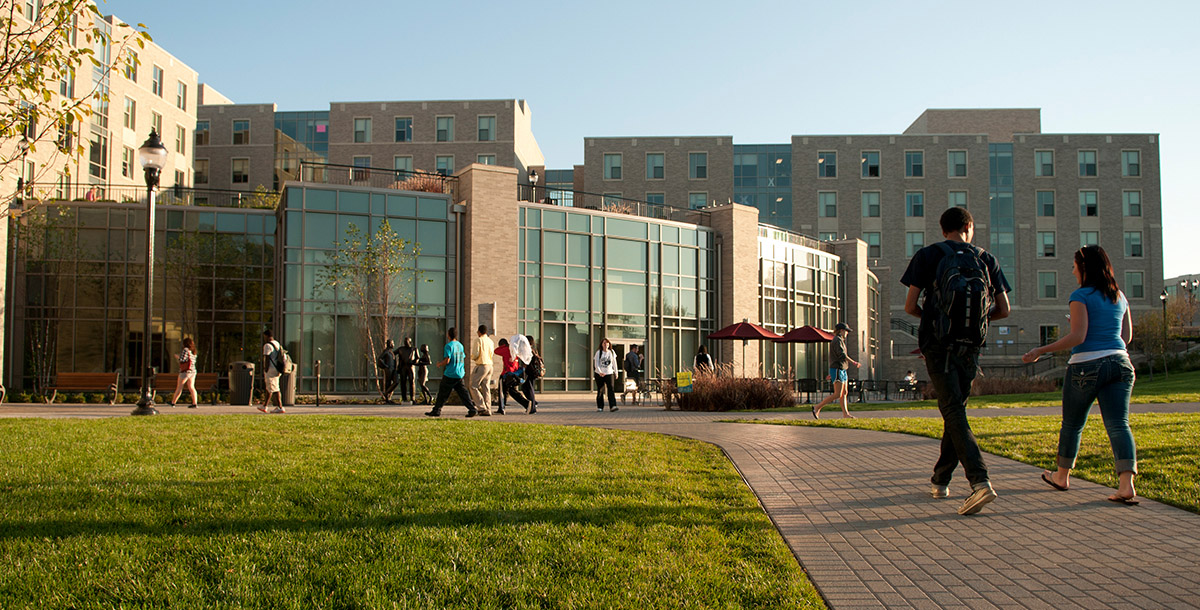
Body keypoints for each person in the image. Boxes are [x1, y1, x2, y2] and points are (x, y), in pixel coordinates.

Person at [901, 207, 1010, 515]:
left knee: (951, 409)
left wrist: (934, 320)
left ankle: (980, 482)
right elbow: (1004, 309)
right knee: (956, 409)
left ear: (943, 228)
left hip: (938, 346)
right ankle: (940, 479)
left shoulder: (928, 255)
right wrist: (976, 320)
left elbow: (910, 306)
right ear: (968, 227)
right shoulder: (986, 259)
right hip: (971, 347)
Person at [1022, 245, 1139, 505]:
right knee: (1119, 424)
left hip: (1086, 366)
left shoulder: (1080, 296)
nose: (1072, 269)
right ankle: (1126, 485)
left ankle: (1061, 476)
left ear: (1084, 267)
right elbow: (1126, 337)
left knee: (1073, 424)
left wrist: (1040, 349)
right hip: (1121, 364)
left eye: (1075, 265)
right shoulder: (1119, 296)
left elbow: (1078, 337)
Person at [425, 327, 478, 418]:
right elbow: (463, 357)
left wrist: (440, 364)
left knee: (443, 392)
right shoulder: (460, 345)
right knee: (463, 393)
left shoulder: (449, 346)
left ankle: (436, 410)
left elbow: (447, 360)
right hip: (459, 373)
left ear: (448, 335)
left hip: (450, 373)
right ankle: (472, 409)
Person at [812, 322, 861, 419]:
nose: (847, 333)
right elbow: (842, 355)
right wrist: (854, 362)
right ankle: (817, 407)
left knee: (844, 392)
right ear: (842, 331)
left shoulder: (840, 340)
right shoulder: (837, 340)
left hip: (842, 369)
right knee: (837, 394)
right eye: (846, 331)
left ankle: (845, 414)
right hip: (838, 369)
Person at [493, 337, 530, 414]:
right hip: (514, 374)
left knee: (502, 391)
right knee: (511, 391)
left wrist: (504, 346)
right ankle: (526, 404)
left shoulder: (506, 349)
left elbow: (496, 351)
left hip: (506, 375)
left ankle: (501, 409)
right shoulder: (514, 350)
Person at [258, 330, 286, 414]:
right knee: (274, 387)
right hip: (277, 369)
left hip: (271, 369)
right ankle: (268, 406)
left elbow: (267, 358)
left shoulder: (267, 345)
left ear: (266, 336)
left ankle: (277, 407)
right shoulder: (277, 344)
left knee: (271, 388)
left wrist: (265, 369)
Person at [469, 325, 495, 416]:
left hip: (481, 365)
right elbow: (492, 353)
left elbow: (475, 354)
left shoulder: (478, 340)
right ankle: (488, 409)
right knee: (486, 387)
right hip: (490, 365)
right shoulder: (490, 341)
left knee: (473, 386)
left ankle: (481, 407)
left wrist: (472, 357)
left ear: (479, 332)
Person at [169, 337, 199, 408]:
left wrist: (177, 357)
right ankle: (195, 403)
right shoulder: (193, 351)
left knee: (179, 387)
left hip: (185, 372)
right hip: (192, 371)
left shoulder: (186, 350)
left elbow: (182, 359)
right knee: (191, 387)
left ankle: (173, 402)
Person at [594, 338, 618, 412]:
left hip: (609, 373)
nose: (605, 345)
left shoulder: (612, 352)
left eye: (607, 343)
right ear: (601, 345)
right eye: (604, 343)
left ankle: (613, 406)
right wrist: (600, 372)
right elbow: (596, 363)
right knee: (600, 390)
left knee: (611, 389)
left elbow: (614, 363)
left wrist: (616, 372)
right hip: (599, 374)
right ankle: (600, 407)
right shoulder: (599, 352)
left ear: (609, 344)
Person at [522, 335, 542, 414]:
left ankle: (533, 408)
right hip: (532, 372)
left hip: (530, 372)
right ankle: (533, 403)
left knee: (529, 389)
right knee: (525, 388)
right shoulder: (533, 350)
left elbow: (527, 362)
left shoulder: (529, 350)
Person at [395, 338, 416, 404]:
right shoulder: (401, 349)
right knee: (403, 383)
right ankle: (404, 398)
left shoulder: (413, 349)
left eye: (407, 341)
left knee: (411, 382)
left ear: (410, 342)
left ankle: (412, 398)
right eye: (404, 341)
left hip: (411, 367)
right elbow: (393, 354)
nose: (405, 342)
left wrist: (413, 361)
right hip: (403, 367)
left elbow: (417, 358)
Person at [378, 339, 398, 403]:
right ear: (390, 344)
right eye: (392, 343)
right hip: (389, 369)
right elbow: (380, 359)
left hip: (393, 370)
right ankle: (387, 398)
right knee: (388, 383)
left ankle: (386, 393)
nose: (393, 345)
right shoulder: (386, 351)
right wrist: (385, 366)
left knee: (396, 381)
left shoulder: (391, 352)